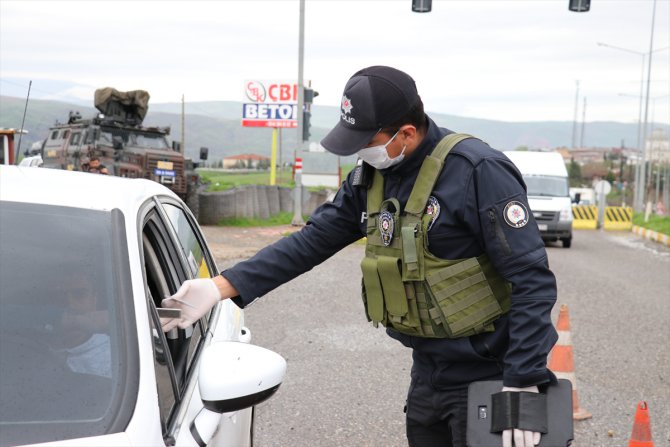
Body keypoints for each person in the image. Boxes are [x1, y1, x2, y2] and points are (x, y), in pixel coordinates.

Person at [162, 66, 558, 447]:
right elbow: (311, 242)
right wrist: (218, 288)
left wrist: (523, 379)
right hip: (429, 372)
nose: (360, 154)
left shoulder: (477, 171)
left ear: (405, 133)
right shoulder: (373, 176)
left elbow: (531, 280)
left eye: (367, 142)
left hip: (491, 372)